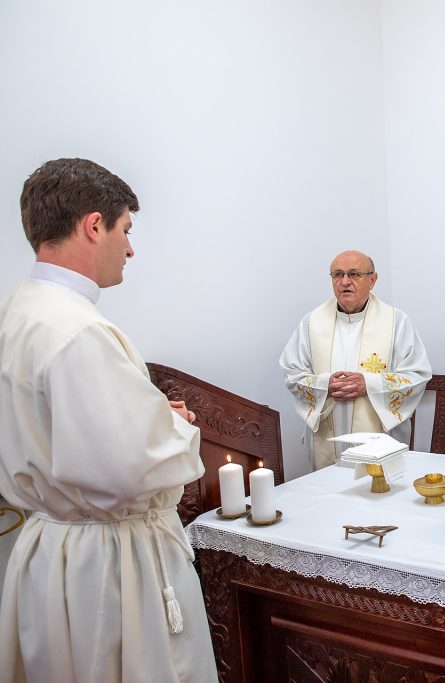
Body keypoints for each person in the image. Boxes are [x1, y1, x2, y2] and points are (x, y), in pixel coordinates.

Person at [0, 158, 217, 682]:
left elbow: (64, 428)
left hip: (49, 554)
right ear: (94, 225)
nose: (130, 249)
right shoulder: (79, 331)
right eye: (126, 230)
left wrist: (145, 416)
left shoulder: (18, 312)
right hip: (108, 563)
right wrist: (176, 425)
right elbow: (134, 469)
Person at [280, 250, 431, 470]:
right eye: (338, 275)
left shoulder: (396, 322)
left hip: (380, 441)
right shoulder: (312, 322)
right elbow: (292, 372)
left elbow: (417, 374)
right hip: (326, 441)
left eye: (354, 274)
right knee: (328, 487)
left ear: (373, 280)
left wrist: (368, 385)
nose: (345, 282)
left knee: (376, 488)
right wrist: (325, 385)